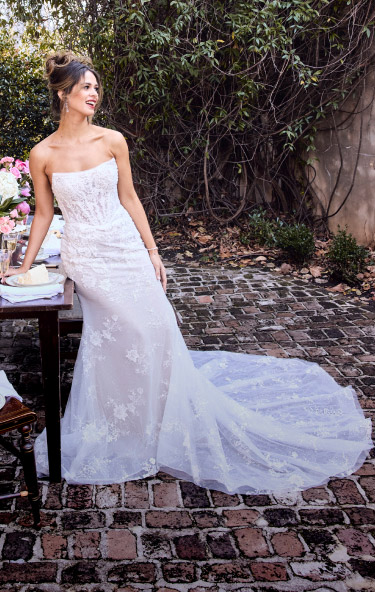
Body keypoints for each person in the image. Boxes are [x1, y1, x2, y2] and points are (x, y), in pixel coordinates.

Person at [5, 51, 372, 492]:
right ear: (64, 94)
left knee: (157, 326)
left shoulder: (112, 141)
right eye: (86, 87)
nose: (95, 94)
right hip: (88, 258)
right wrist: (22, 268)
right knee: (129, 331)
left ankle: (159, 418)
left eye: (97, 87)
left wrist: (153, 251)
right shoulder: (42, 153)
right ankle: (122, 423)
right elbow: (44, 215)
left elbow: (131, 199)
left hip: (125, 247)